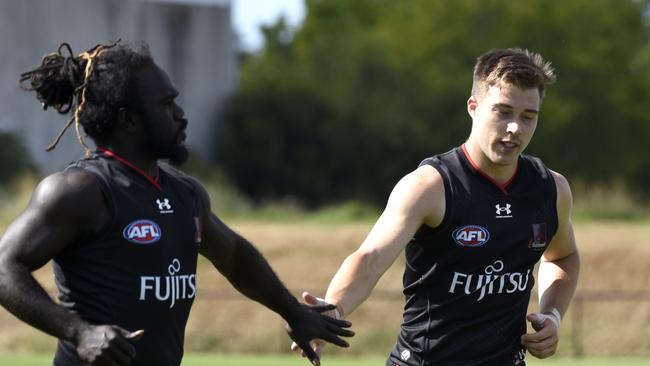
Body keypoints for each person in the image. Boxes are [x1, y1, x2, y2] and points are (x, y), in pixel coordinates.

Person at [0, 41, 353, 366]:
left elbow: (235, 259)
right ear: (129, 119)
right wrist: (79, 332)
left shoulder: (187, 194)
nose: (181, 114)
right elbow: (4, 268)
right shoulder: (81, 190)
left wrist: (293, 312)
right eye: (166, 104)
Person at [292, 48, 580, 365]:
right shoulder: (430, 186)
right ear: (473, 107)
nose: (515, 128)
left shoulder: (550, 188)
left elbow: (563, 255)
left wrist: (552, 315)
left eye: (528, 117)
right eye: (503, 112)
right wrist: (333, 307)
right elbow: (371, 257)